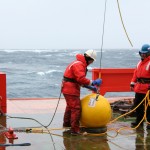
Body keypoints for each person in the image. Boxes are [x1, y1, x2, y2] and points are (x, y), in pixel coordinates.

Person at [61, 49, 102, 135]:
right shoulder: (79, 65)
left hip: (67, 87)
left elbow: (78, 81)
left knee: (70, 107)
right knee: (76, 108)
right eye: (92, 61)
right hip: (71, 89)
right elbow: (80, 79)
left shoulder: (77, 63)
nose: (91, 63)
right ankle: (75, 130)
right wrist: (93, 82)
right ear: (89, 59)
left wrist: (91, 87)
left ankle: (67, 125)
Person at [130, 44, 150, 129]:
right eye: (141, 53)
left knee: (148, 107)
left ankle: (149, 123)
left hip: (147, 89)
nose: (143, 55)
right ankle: (139, 121)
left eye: (144, 53)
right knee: (138, 106)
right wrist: (132, 83)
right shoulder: (139, 63)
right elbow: (135, 74)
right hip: (138, 88)